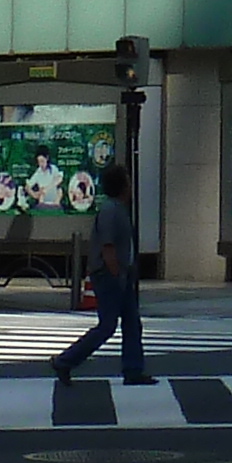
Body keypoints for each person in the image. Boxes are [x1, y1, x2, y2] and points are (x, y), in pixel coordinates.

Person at [55, 159, 150, 384]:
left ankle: (133, 370)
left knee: (131, 322)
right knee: (107, 326)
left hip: (120, 274)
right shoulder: (111, 211)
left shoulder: (118, 210)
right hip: (110, 275)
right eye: (127, 182)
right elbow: (108, 247)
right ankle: (65, 361)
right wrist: (117, 274)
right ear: (123, 186)